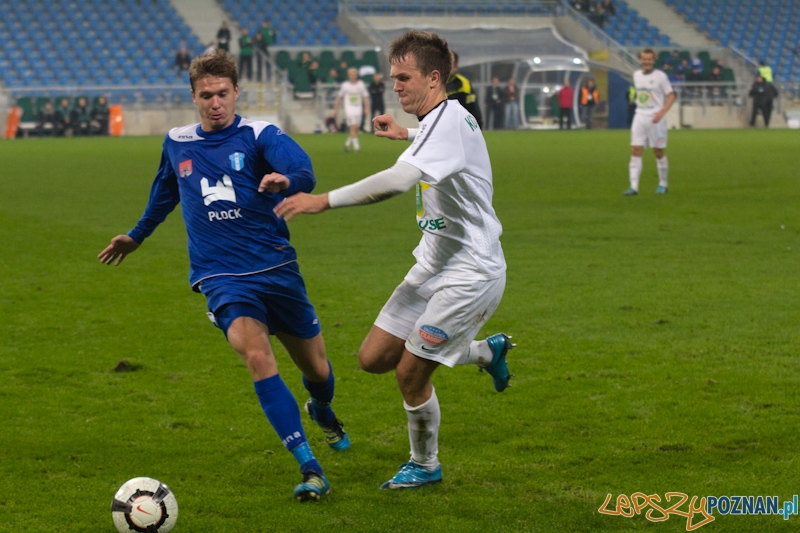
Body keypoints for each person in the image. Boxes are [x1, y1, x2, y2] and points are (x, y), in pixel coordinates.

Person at [97, 50, 348, 502]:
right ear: (193, 96)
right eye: (206, 95)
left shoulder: (259, 135)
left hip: (275, 267)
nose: (215, 103)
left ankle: (323, 408)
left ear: (236, 92)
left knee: (317, 370)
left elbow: (304, 170)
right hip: (222, 277)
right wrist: (136, 237)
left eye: (223, 94)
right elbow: (164, 194)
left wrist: (285, 182)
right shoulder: (177, 142)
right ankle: (310, 467)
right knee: (257, 357)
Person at [271, 29, 513, 491]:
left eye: (404, 78)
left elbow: (400, 180)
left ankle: (425, 464)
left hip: (472, 271)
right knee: (373, 358)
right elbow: (437, 137)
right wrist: (407, 131)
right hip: (433, 263)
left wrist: (324, 200)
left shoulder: (449, 123)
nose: (395, 86)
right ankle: (486, 351)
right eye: (393, 77)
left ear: (434, 78)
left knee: (410, 373)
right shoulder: (445, 118)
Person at [624, 48, 675, 196]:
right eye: (644, 59)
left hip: (656, 119)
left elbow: (671, 96)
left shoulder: (661, 76)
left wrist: (662, 112)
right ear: (640, 60)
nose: (646, 62)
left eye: (649, 59)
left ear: (654, 60)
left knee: (658, 152)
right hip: (639, 116)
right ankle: (633, 187)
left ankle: (663, 184)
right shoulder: (636, 75)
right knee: (635, 150)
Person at [332, 67, 369, 152]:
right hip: (349, 109)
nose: (353, 76)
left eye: (354, 74)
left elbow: (365, 97)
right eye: (351, 74)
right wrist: (335, 109)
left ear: (356, 75)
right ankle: (357, 147)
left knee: (356, 128)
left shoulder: (360, 84)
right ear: (349, 75)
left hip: (358, 109)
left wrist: (366, 108)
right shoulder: (345, 85)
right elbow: (339, 98)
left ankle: (347, 144)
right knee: (352, 126)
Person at [445, 51, 483, 128]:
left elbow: (473, 110)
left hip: (459, 128)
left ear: (456, 66)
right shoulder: (434, 82)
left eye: (450, 64)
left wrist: (475, 129)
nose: (446, 66)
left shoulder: (463, 84)